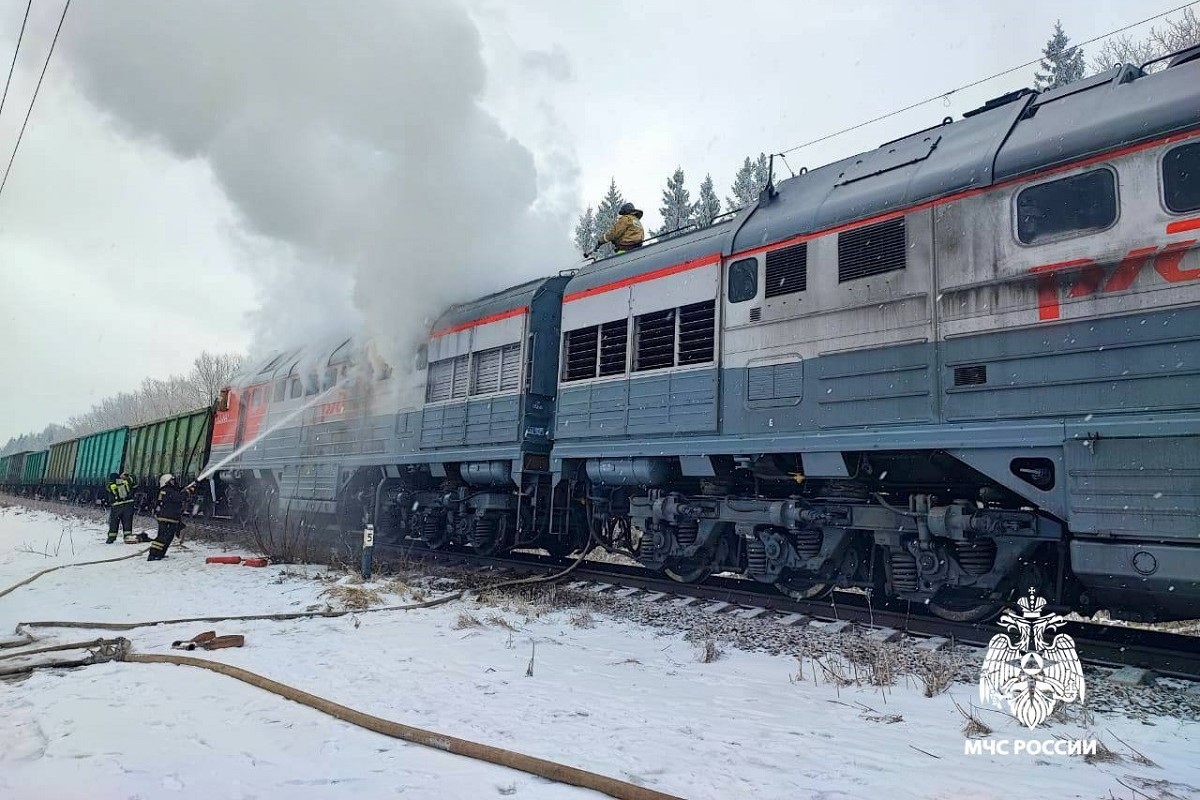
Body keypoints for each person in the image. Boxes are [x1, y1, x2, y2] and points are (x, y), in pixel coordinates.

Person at [149, 473, 196, 562]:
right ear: (166, 482)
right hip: (166, 518)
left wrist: (187, 490)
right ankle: (153, 554)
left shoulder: (169, 490)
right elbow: (179, 497)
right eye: (171, 480)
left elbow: (178, 494)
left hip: (172, 518)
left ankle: (160, 554)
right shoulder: (166, 490)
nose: (173, 482)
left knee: (168, 537)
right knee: (162, 537)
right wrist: (187, 492)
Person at [105, 471, 138, 544]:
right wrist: (126, 477)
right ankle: (127, 537)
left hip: (117, 506)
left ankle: (111, 538)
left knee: (114, 522)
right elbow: (134, 484)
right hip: (128, 505)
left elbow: (109, 489)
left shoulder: (111, 485)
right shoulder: (125, 482)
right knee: (127, 522)